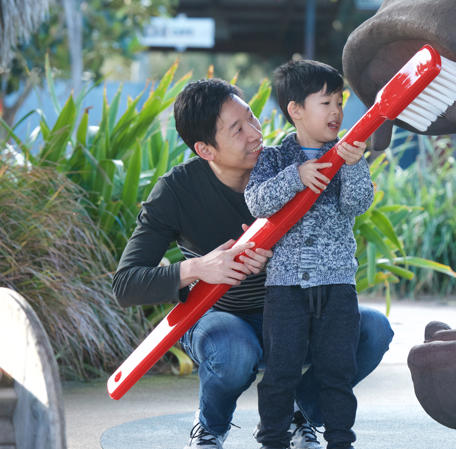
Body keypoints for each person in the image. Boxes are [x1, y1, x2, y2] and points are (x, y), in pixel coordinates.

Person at [111, 78, 394, 449]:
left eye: (252, 119)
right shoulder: (177, 190)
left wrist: (283, 258)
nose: (255, 134)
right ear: (205, 149)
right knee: (233, 350)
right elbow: (126, 284)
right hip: (222, 319)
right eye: (237, 129)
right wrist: (200, 268)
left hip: (293, 313)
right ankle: (210, 427)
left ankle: (300, 413)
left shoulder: (288, 166)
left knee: (372, 330)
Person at [244, 60, 371, 449]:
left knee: (337, 371)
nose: (336, 111)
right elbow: (257, 202)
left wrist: (353, 166)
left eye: (339, 102)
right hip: (286, 288)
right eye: (325, 102)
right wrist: (295, 177)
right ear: (295, 110)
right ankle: (273, 439)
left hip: (337, 285)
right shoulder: (274, 158)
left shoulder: (347, 155)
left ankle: (340, 441)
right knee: (280, 371)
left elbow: (357, 204)